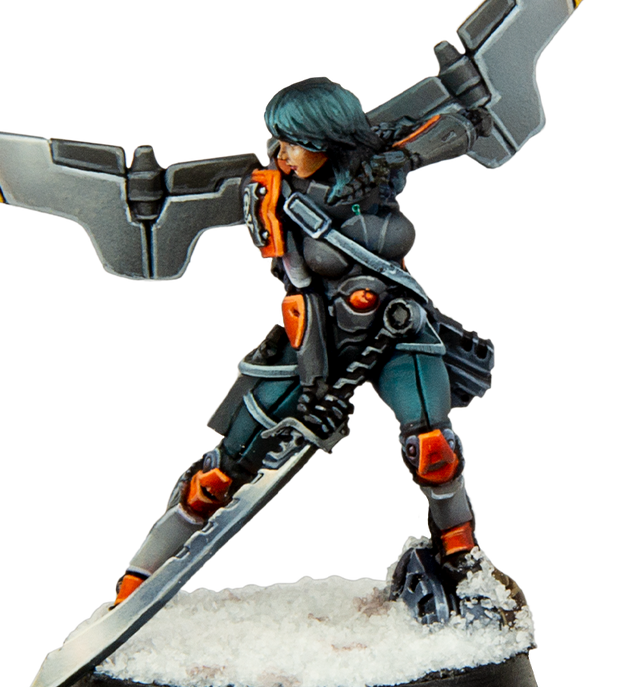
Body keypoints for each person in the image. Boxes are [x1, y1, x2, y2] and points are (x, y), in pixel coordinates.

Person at [112, 74, 497, 609]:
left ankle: (461, 557)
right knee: (223, 468)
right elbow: (298, 294)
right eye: (279, 140)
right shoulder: (274, 194)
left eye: (296, 142)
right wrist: (317, 389)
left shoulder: (376, 166)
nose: (283, 153)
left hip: (398, 330)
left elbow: (462, 125)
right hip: (314, 340)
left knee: (434, 449)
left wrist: (399, 156)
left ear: (329, 140)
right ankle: (138, 578)